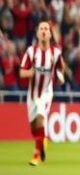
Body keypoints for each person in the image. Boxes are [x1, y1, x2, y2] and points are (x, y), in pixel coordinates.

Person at [18, 21, 64, 166]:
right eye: (41, 29)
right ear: (37, 33)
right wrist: (29, 72)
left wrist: (60, 77)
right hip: (32, 94)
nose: (44, 31)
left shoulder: (55, 53)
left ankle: (35, 156)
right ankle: (42, 141)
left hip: (45, 93)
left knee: (40, 118)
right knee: (34, 129)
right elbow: (21, 72)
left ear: (50, 34)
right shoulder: (31, 52)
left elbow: (60, 69)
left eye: (46, 29)